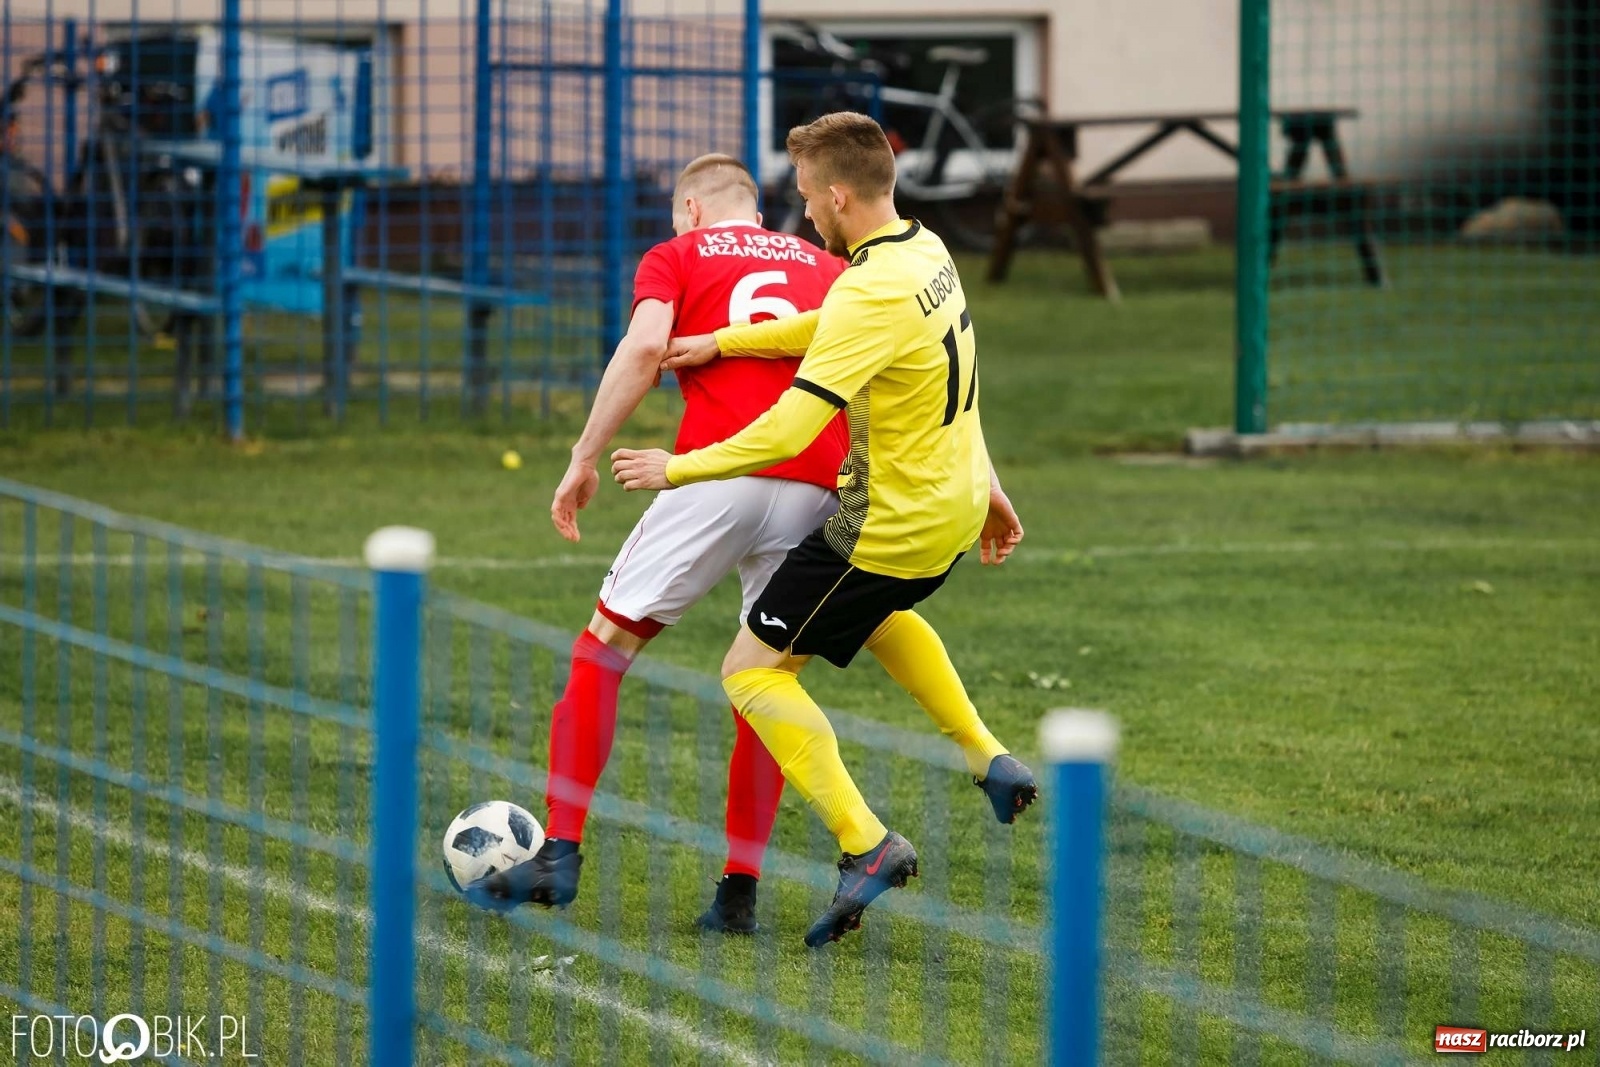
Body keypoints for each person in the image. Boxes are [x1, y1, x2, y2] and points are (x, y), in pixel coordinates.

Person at [608, 112, 1037, 948]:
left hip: (884, 527)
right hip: (947, 508)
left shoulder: (872, 285)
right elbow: (844, 327)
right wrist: (723, 340)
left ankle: (866, 843)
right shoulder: (922, 252)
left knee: (751, 672)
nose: (804, 214)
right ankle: (990, 758)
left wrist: (678, 466)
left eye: (808, 199)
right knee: (875, 618)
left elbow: (785, 432)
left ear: (839, 194)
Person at [467, 153, 849, 932]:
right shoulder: (825, 265)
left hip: (716, 469)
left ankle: (561, 850)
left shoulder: (678, 253)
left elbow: (645, 349)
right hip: (816, 479)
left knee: (601, 651)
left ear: (690, 208)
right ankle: (738, 893)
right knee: (762, 685)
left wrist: (582, 456)